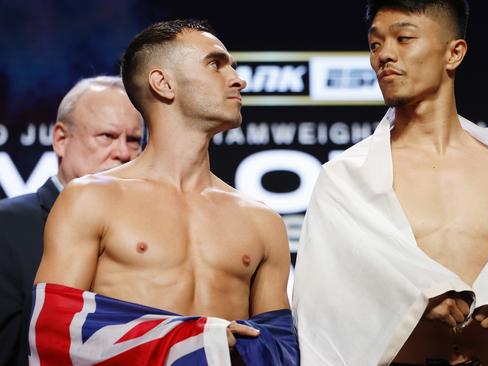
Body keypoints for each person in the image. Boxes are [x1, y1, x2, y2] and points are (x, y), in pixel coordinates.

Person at [292, 1, 488, 365]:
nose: (384, 56)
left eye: (404, 38)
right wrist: (408, 299)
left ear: (454, 53)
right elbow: (320, 317)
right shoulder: (346, 179)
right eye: (375, 44)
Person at [30, 19, 298, 365]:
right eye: (215, 64)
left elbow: (278, 348)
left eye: (233, 66)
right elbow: (54, 333)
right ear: (163, 83)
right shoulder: (91, 200)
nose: (237, 79)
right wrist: (204, 340)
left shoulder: (262, 220)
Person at [0, 75, 143, 366]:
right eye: (107, 136)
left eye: (134, 140)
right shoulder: (6, 227)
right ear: (61, 139)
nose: (123, 153)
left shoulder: (152, 234)